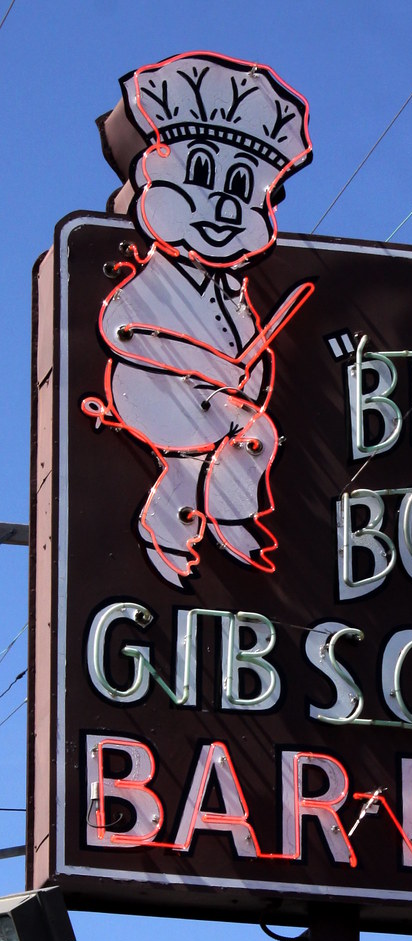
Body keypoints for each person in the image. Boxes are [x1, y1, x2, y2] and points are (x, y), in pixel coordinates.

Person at [83, 52, 314, 584]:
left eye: (241, 187)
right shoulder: (153, 273)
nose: (226, 207)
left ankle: (167, 535)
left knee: (205, 455)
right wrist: (217, 368)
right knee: (255, 433)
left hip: (205, 400)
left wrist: (247, 378)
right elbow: (125, 329)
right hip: (149, 388)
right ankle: (233, 518)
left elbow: (249, 348)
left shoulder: (234, 287)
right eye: (205, 174)